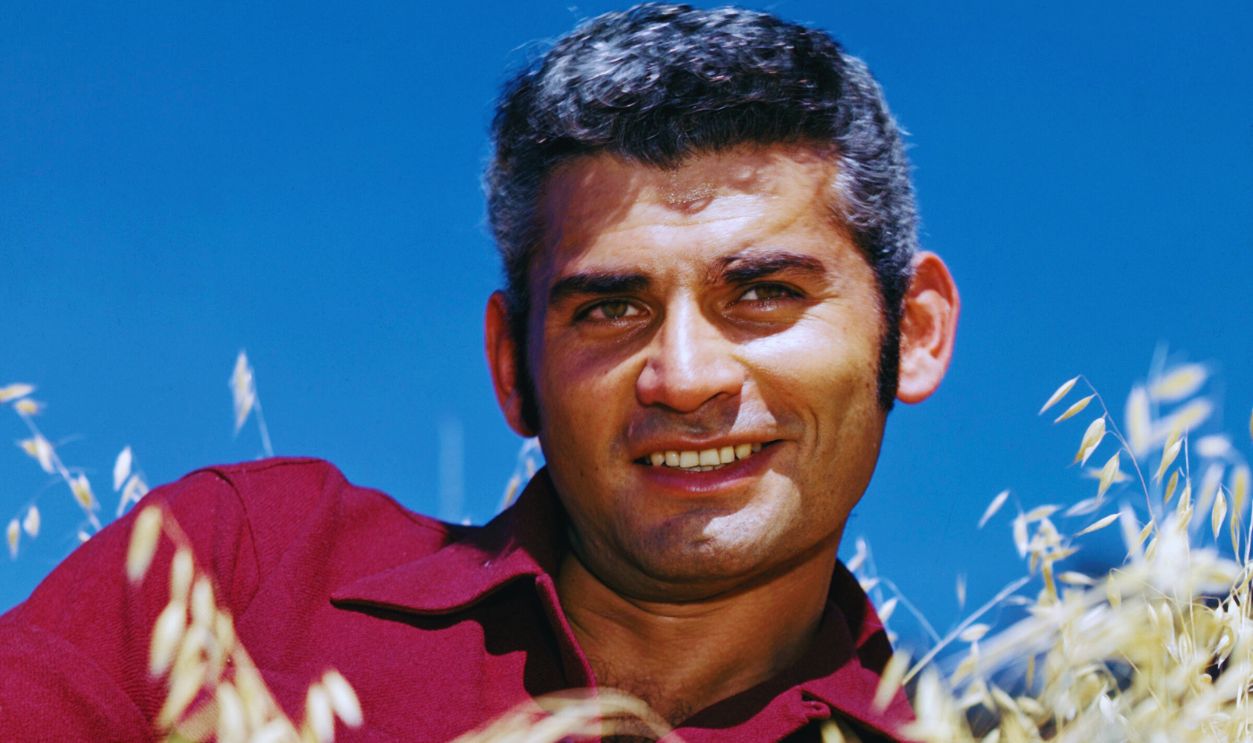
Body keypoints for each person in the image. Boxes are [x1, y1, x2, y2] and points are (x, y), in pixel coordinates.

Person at [0, 4, 957, 741]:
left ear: (911, 331)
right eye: (610, 309)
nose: (685, 376)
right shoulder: (236, 576)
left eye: (764, 293)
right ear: (510, 365)